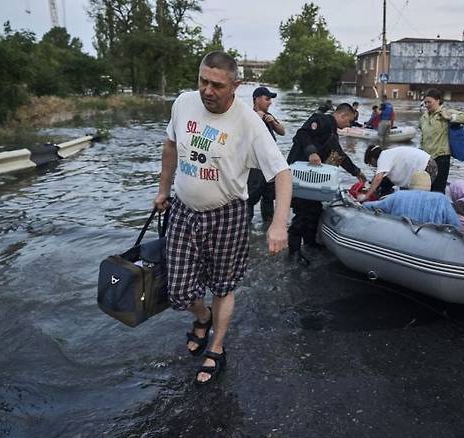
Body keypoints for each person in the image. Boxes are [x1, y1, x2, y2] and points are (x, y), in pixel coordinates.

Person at [153, 51, 292, 385]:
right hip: (184, 209)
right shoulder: (184, 103)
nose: (207, 91)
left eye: (216, 84)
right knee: (180, 290)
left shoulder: (249, 123)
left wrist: (278, 223)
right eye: (203, 81)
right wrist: (163, 189)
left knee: (223, 285)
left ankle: (216, 346)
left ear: (235, 85)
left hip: (227, 214)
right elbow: (170, 145)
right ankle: (202, 318)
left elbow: (283, 174)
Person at [287, 103, 366, 262]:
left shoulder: (333, 135)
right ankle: (294, 252)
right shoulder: (321, 120)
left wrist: (357, 172)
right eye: (349, 121)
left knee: (314, 210)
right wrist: (311, 152)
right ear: (342, 115)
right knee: (301, 214)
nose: (348, 125)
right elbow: (302, 134)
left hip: (314, 181)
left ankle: (310, 243)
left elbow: (340, 156)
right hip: (300, 177)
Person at [419, 88, 464, 193]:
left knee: (438, 189)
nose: (427, 105)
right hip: (426, 158)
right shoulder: (423, 117)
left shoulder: (445, 112)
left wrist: (450, 117)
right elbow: (423, 136)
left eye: (429, 102)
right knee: (426, 187)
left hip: (441, 157)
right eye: (425, 102)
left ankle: (438, 208)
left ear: (438, 100)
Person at [247, 86, 286, 223]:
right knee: (249, 199)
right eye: (267, 99)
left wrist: (273, 122)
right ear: (256, 99)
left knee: (269, 198)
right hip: (254, 167)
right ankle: (246, 231)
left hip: (269, 166)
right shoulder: (248, 115)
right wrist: (256, 119)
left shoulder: (268, 115)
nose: (270, 102)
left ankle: (267, 227)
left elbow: (282, 132)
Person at [358, 144, 438, 201]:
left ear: (372, 159)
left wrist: (366, 196)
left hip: (426, 166)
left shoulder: (383, 157)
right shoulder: (389, 155)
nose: (372, 166)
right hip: (429, 163)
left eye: (370, 163)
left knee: (415, 199)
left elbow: (378, 178)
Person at [361, 189, 462, 230]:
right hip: (432, 244)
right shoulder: (441, 199)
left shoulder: (399, 195)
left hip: (400, 240)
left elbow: (375, 206)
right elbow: (456, 227)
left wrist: (361, 202)